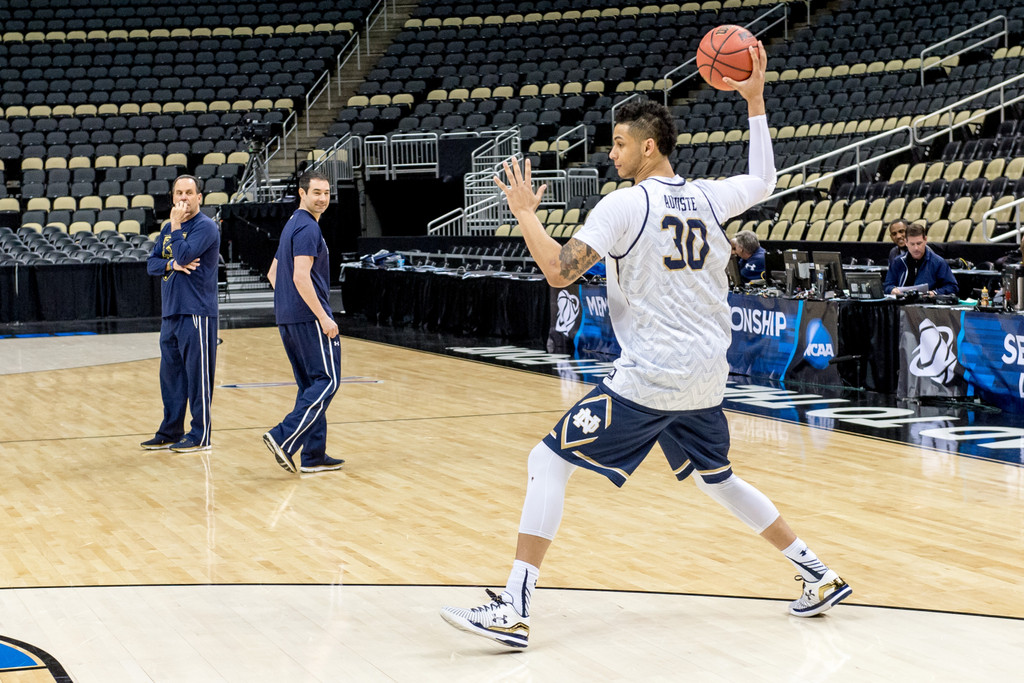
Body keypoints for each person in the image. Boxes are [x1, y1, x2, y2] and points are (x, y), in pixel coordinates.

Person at [440, 42, 851, 649]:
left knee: (546, 460)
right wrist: (756, 100)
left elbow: (559, 269)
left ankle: (516, 607)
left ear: (648, 147)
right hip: (707, 375)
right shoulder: (710, 197)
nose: (612, 151)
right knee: (719, 479)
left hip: (652, 376)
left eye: (620, 142)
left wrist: (526, 212)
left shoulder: (624, 205)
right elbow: (765, 178)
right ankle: (818, 572)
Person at [262, 171, 344, 474]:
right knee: (328, 381)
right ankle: (283, 437)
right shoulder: (308, 228)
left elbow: (273, 274)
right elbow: (299, 275)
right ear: (302, 193)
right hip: (310, 318)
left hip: (288, 318)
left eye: (326, 193)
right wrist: (322, 315)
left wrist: (289, 304)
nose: (322, 198)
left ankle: (313, 455)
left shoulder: (291, 226)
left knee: (310, 384)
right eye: (316, 193)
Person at [141, 175, 220, 453]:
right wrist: (172, 264)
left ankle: (200, 434)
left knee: (198, 376)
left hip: (196, 312)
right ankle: (171, 430)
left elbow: (186, 255)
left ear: (200, 197)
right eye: (178, 193)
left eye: (189, 193)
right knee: (171, 377)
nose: (183, 198)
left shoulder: (206, 227)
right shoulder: (167, 229)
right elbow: (152, 264)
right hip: (171, 311)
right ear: (172, 197)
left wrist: (175, 233)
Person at [883, 223, 958, 297]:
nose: (916, 248)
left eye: (919, 243)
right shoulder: (897, 262)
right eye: (912, 244)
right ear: (906, 242)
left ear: (925, 240)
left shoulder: (938, 262)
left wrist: (935, 293)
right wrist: (892, 290)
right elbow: (887, 285)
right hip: (902, 305)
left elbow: (952, 287)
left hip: (928, 305)